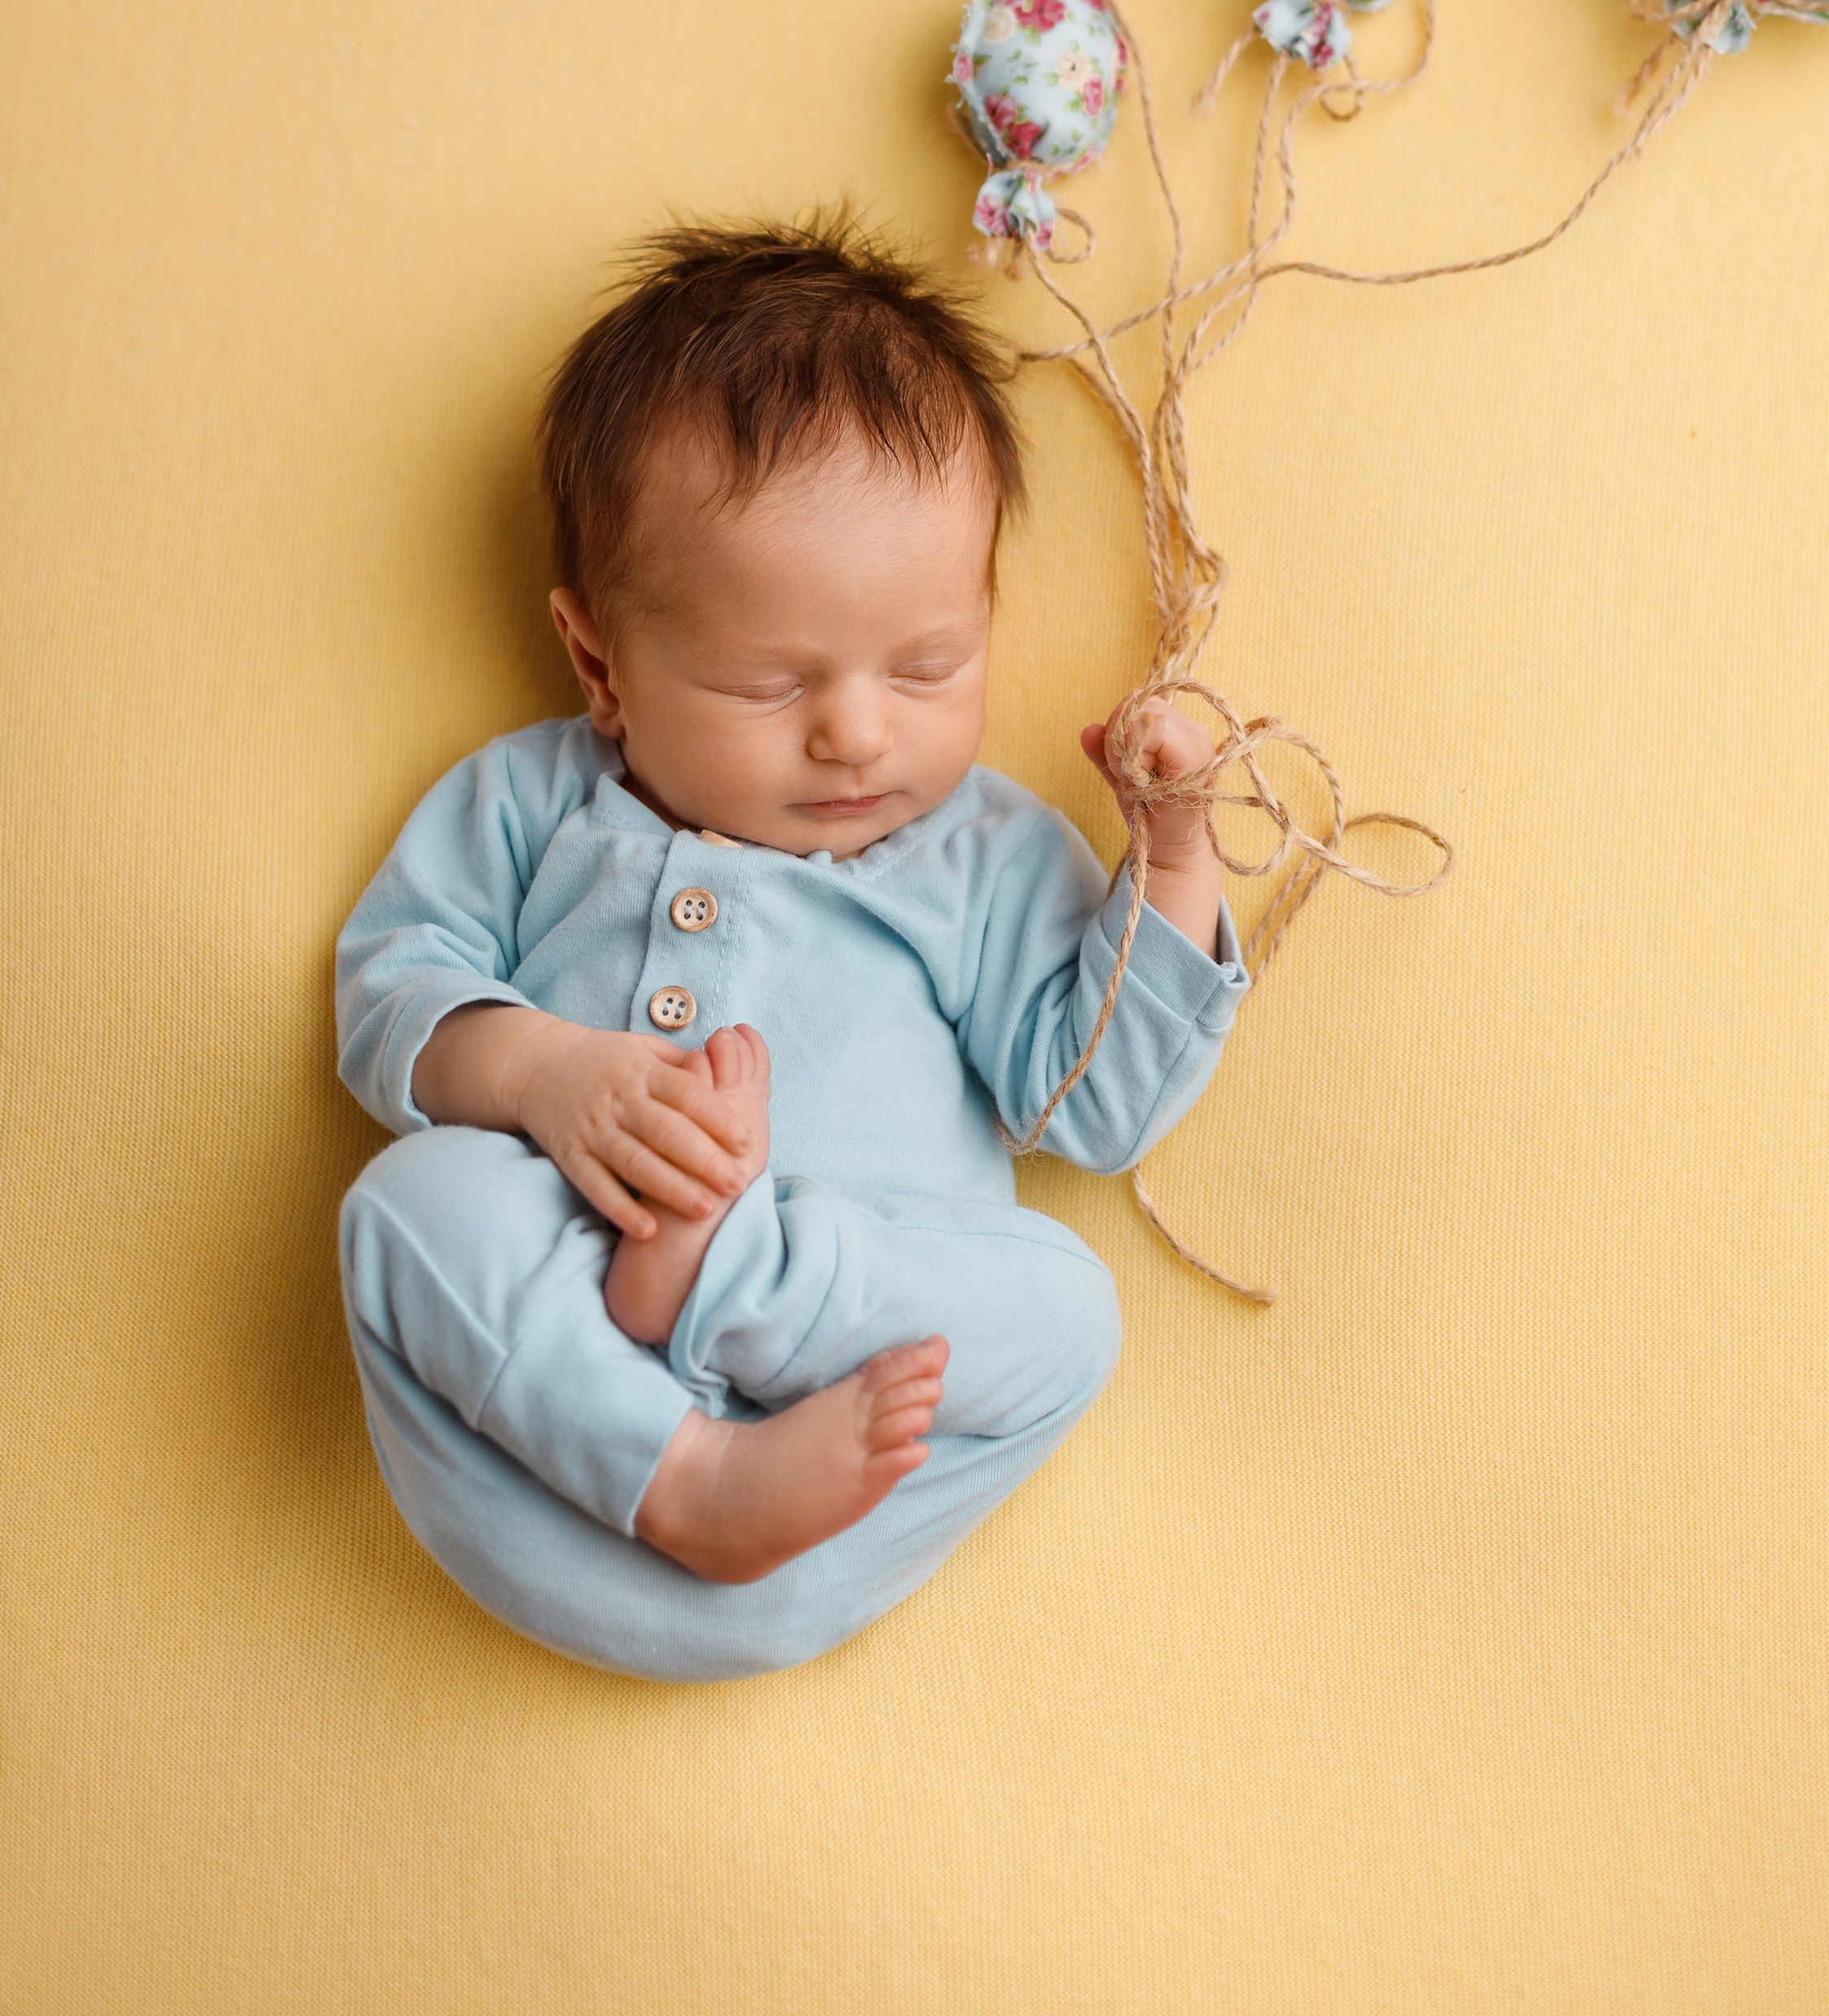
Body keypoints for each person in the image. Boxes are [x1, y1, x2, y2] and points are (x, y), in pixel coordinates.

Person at [336, 216, 1248, 1678]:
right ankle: (688, 1470)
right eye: (770, 681)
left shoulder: (984, 850)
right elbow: (392, 991)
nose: (858, 731)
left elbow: (1093, 1104)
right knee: (404, 1205)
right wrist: (541, 1070)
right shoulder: (531, 801)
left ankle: (733, 1283)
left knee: (1070, 1304)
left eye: (928, 663)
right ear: (600, 665)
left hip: (834, 1471)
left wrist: (1177, 857)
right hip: (556, 1451)